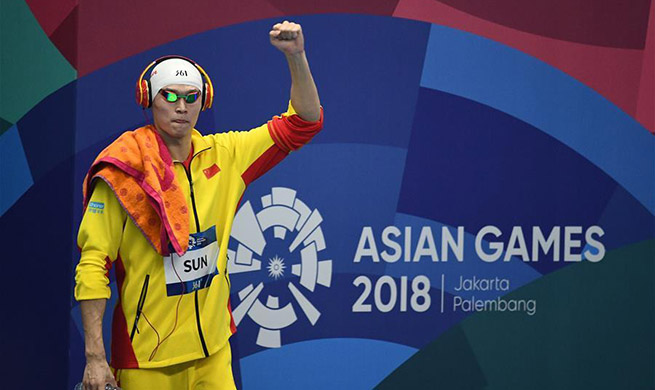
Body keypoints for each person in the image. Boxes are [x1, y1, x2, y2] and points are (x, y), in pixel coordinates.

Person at [74, 20, 323, 390]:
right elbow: (94, 266)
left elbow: (303, 123)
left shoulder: (227, 156)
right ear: (149, 99)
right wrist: (95, 359)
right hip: (147, 362)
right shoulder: (124, 174)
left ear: (203, 101)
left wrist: (297, 56)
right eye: (169, 96)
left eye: (190, 97)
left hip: (213, 353)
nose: (181, 107)